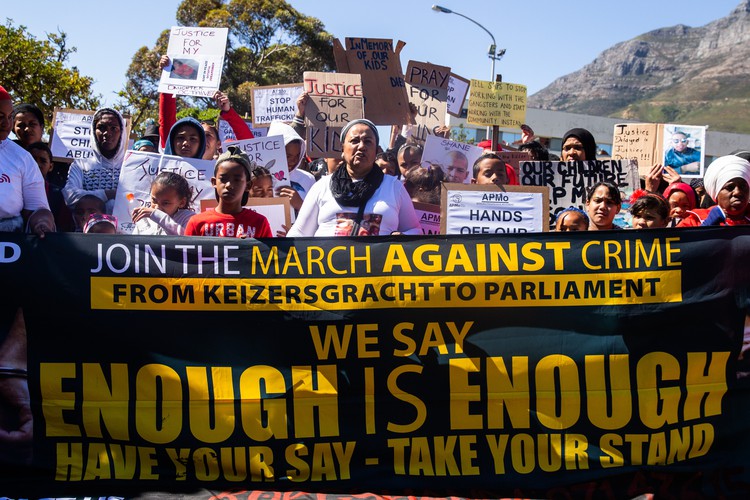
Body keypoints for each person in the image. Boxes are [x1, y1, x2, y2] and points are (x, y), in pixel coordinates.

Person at [287, 119, 420, 237]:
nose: (361, 146)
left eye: (368, 142)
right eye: (354, 141)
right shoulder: (321, 187)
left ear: (377, 150)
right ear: (342, 149)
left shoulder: (394, 187)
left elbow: (415, 230)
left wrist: (403, 236)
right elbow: (300, 232)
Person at [0, 86, 54, 236]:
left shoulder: (22, 157)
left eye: (10, 116)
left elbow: (37, 207)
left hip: (10, 239)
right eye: (0, 116)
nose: (6, 123)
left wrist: (41, 223)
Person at [185, 146, 273, 238]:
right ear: (214, 182)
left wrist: (247, 248)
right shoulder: (196, 223)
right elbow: (186, 252)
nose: (229, 185)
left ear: (248, 185)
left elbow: (269, 252)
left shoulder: (259, 222)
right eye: (223, 179)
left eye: (237, 180)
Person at [62, 107, 126, 214]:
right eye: (101, 127)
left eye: (113, 128)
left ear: (122, 132)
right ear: (93, 131)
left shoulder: (130, 165)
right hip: (87, 229)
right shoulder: (81, 164)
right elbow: (70, 197)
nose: (107, 133)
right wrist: (107, 194)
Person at [677, 155, 750, 227]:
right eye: (729, 187)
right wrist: (704, 229)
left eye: (743, 187)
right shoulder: (695, 221)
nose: (738, 192)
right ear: (716, 193)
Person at [267, 120, 316, 211]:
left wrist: (300, 204)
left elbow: (316, 217)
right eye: (287, 156)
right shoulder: (259, 180)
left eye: (297, 155)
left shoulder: (308, 179)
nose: (293, 161)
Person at [27, 141, 74, 232]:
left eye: (43, 161)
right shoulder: (13, 189)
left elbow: (64, 227)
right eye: (32, 160)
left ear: (51, 166)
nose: (37, 165)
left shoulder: (60, 195)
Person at [131, 171, 195, 235]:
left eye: (165, 203)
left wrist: (158, 216)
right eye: (154, 201)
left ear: (182, 202)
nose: (157, 207)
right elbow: (134, 241)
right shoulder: (146, 218)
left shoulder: (189, 218)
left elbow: (185, 238)